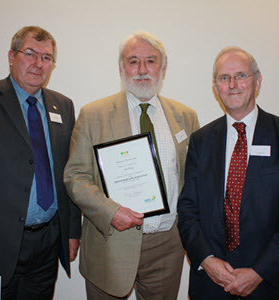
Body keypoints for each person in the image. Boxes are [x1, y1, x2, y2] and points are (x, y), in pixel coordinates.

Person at [64, 31, 199, 300]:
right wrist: (111, 211)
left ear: (163, 67)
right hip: (111, 242)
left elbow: (194, 180)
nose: (142, 70)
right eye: (133, 61)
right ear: (121, 66)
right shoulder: (94, 114)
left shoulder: (185, 116)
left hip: (168, 246)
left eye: (150, 61)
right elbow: (76, 176)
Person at [0, 26, 81, 300]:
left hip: (48, 243)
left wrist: (72, 232)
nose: (39, 63)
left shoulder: (64, 106)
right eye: (30, 54)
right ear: (11, 56)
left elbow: (69, 172)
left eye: (47, 57)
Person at [177, 46, 279, 299]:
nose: (233, 84)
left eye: (241, 76)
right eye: (224, 78)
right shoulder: (201, 140)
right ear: (216, 87)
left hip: (269, 282)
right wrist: (207, 260)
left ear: (257, 81)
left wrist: (259, 271)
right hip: (211, 282)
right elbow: (188, 209)